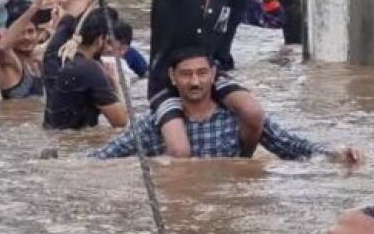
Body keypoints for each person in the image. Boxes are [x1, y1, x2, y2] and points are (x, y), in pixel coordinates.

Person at [106, 0, 284, 158]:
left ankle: (240, 164)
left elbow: (274, 17)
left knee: (253, 113)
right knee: (180, 150)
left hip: (212, 77)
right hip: (167, 80)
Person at [91, 47, 360, 162]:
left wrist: (334, 155)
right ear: (173, 78)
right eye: (186, 74)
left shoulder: (236, 118)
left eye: (201, 73)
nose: (195, 82)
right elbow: (105, 157)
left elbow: (293, 146)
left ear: (214, 74)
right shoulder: (156, 126)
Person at [44, 7, 129, 130]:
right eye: (109, 42)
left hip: (55, 134)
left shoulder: (57, 54)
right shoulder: (91, 70)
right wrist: (114, 82)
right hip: (75, 143)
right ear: (100, 39)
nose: (109, 48)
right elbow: (121, 121)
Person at [0, 0, 57, 99]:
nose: (26, 37)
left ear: (37, 33)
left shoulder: (37, 62)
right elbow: (2, 47)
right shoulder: (9, 63)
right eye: (20, 33)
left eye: (30, 31)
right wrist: (32, 9)